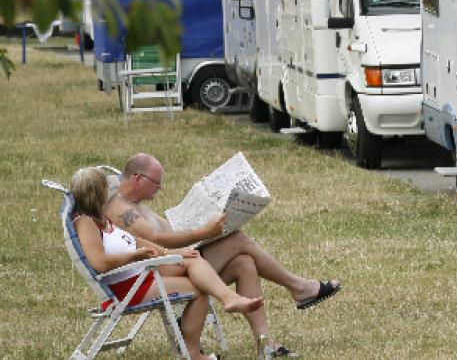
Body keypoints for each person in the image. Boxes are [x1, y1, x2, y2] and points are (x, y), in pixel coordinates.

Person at [103, 153, 340, 358]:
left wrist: (205, 218)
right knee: (238, 240)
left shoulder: (132, 200)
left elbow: (171, 230)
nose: (160, 187)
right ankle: (298, 287)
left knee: (244, 263)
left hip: (177, 259)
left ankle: (265, 344)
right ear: (137, 178)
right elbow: (159, 238)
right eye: (157, 182)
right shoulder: (120, 208)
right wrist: (205, 232)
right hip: (162, 267)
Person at [71, 167, 263, 360]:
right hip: (129, 288)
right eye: (106, 187)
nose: (110, 191)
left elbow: (135, 241)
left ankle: (228, 299)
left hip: (141, 274)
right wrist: (135, 256)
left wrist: (170, 253)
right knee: (200, 288)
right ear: (97, 192)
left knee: (192, 258)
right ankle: (194, 352)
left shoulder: (100, 218)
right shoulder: (86, 222)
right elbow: (100, 263)